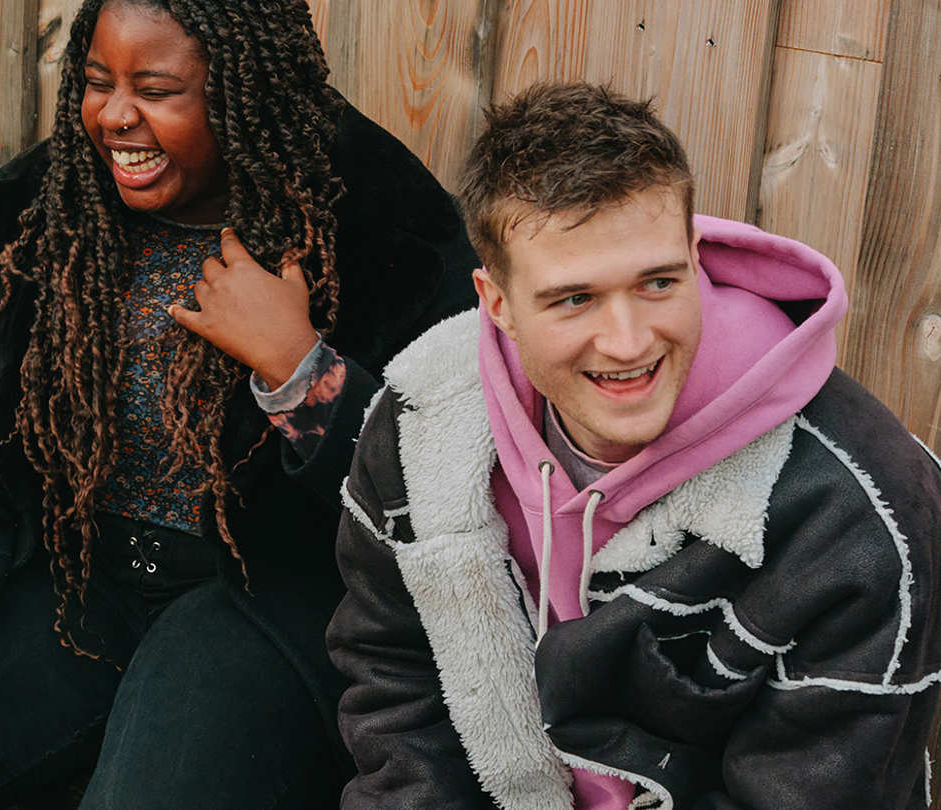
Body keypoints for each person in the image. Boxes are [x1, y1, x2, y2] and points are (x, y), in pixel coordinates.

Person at [0, 0, 478, 806]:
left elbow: (447, 479)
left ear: (241, 89)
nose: (115, 116)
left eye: (155, 89)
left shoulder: (381, 227)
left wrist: (302, 370)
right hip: (81, 573)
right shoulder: (47, 210)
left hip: (260, 597)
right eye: (96, 82)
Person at [326, 82, 941, 808]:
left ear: (695, 255)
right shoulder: (423, 419)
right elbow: (395, 677)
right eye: (574, 298)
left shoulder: (860, 508)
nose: (628, 343)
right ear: (497, 303)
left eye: (657, 283)